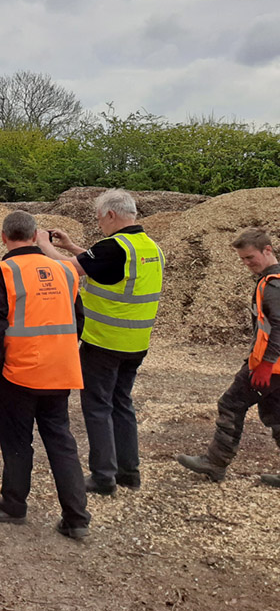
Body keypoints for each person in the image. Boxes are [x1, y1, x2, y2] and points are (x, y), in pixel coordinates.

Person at [0, 211, 91, 540]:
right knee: (61, 441)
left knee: (17, 442)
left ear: (3, 237)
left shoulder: (3, 272)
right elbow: (78, 320)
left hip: (17, 373)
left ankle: (13, 505)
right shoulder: (65, 271)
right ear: (37, 234)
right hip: (60, 370)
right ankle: (76, 517)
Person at [37, 188, 164, 495]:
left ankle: (103, 476)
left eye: (99, 218)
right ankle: (129, 472)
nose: (99, 225)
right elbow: (104, 266)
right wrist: (71, 246)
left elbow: (70, 270)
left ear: (111, 214)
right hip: (136, 343)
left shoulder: (114, 246)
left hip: (105, 342)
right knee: (122, 403)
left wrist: (44, 246)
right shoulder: (148, 247)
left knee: (97, 407)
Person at [177, 228, 280, 487]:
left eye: (250, 258)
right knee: (276, 414)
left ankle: (215, 462)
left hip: (272, 366)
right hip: (271, 364)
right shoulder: (271, 281)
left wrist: (266, 365)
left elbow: (278, 327)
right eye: (242, 259)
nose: (246, 264)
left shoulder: (273, 286)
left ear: (268, 250)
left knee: (231, 403)